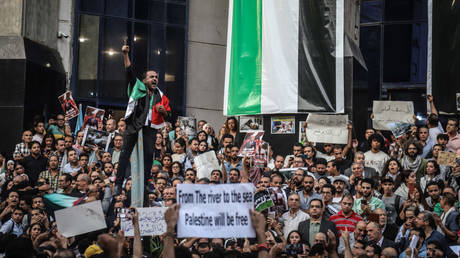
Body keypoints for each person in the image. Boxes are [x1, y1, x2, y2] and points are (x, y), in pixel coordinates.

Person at [116, 39, 171, 192]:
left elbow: (169, 114)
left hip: (150, 129)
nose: (155, 79)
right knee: (124, 153)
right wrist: (125, 54)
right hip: (134, 125)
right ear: (144, 80)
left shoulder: (160, 96)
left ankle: (146, 184)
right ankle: (117, 184)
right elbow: (129, 71)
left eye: (156, 77)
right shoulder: (137, 87)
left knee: (148, 156)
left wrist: (163, 111)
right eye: (151, 77)